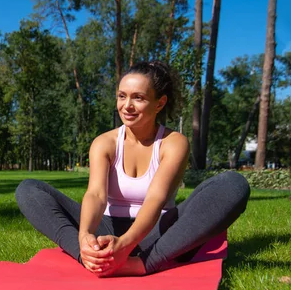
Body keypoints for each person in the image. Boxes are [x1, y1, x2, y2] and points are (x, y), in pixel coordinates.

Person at [15, 61, 250, 277]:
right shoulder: (104, 142)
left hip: (158, 233)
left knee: (233, 185)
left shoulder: (173, 142)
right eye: (121, 96)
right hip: (107, 227)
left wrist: (126, 244)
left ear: (160, 103)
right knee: (29, 190)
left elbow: (156, 200)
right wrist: (85, 235)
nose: (127, 106)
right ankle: (89, 256)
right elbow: (95, 195)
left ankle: (141, 264)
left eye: (138, 98)